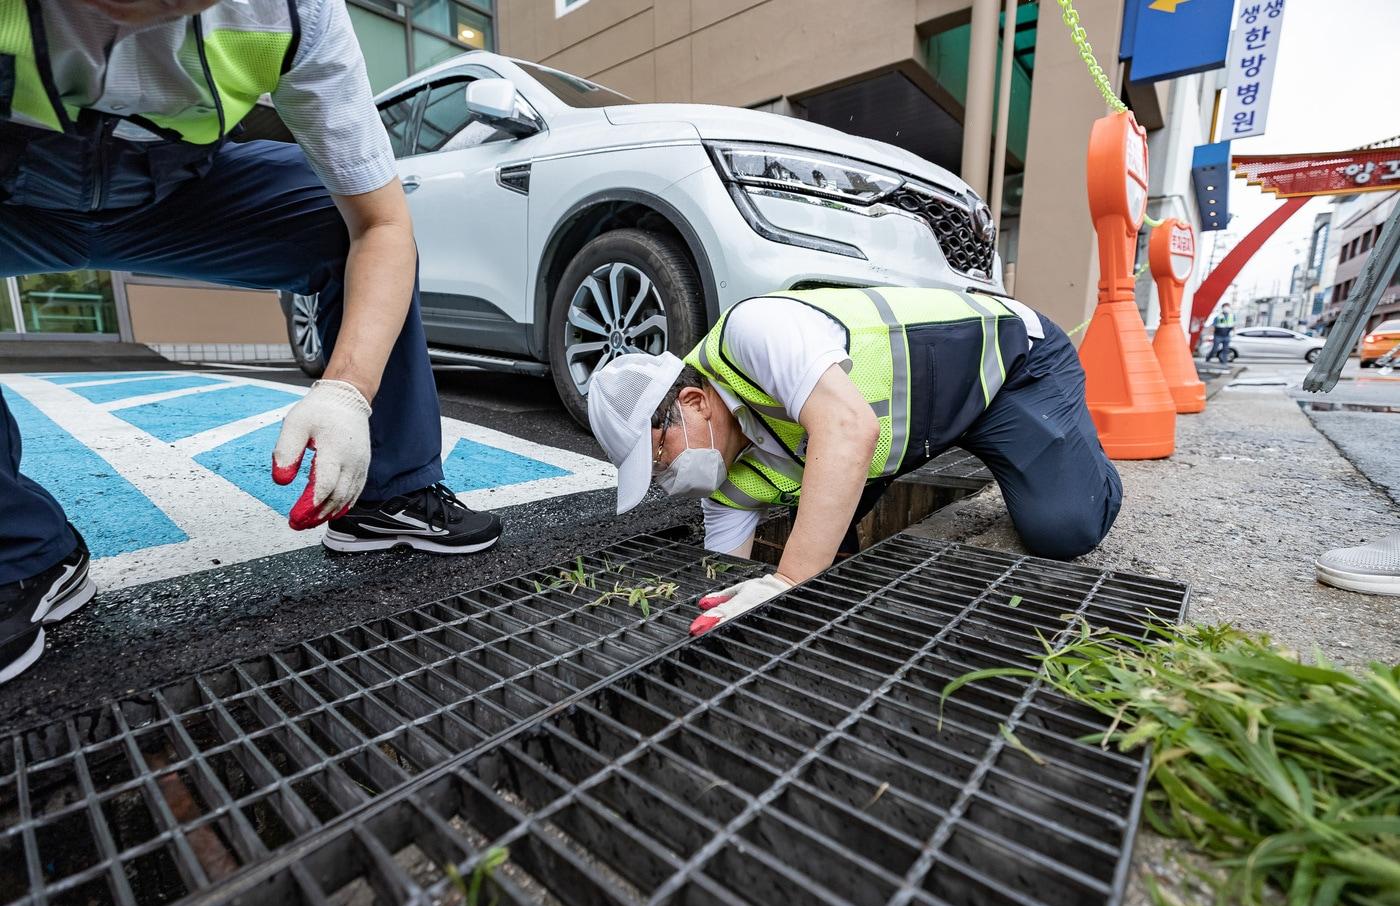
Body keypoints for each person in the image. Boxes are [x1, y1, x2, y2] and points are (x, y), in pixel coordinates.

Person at [0, 0, 503, 685]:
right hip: (17, 193)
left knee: (345, 222)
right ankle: (21, 550)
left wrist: (348, 391)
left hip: (175, 192)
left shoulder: (293, 11)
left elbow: (381, 226)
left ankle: (391, 494)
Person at [588, 286, 1123, 634]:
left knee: (1066, 528)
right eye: (654, 474)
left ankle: (1088, 456)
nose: (666, 476)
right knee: (827, 535)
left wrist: (788, 581)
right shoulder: (725, 485)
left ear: (693, 402)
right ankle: (1029, 455)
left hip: (1009, 368)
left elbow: (850, 429)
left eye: (661, 454)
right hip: (920, 428)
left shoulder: (753, 332)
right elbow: (730, 572)